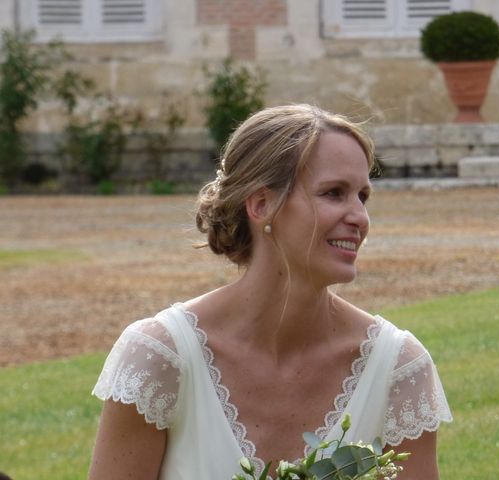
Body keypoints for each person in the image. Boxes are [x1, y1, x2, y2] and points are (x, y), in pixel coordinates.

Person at [89, 104, 452, 479]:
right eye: (333, 193)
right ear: (261, 205)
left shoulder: (398, 370)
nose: (359, 217)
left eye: (362, 195)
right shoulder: (160, 360)